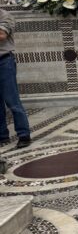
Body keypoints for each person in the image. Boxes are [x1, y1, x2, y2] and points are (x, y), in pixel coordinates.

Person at [0, 8, 31, 148]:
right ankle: (2, 135)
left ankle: (24, 135)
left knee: (12, 101)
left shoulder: (4, 15)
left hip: (4, 61)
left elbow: (1, 35)